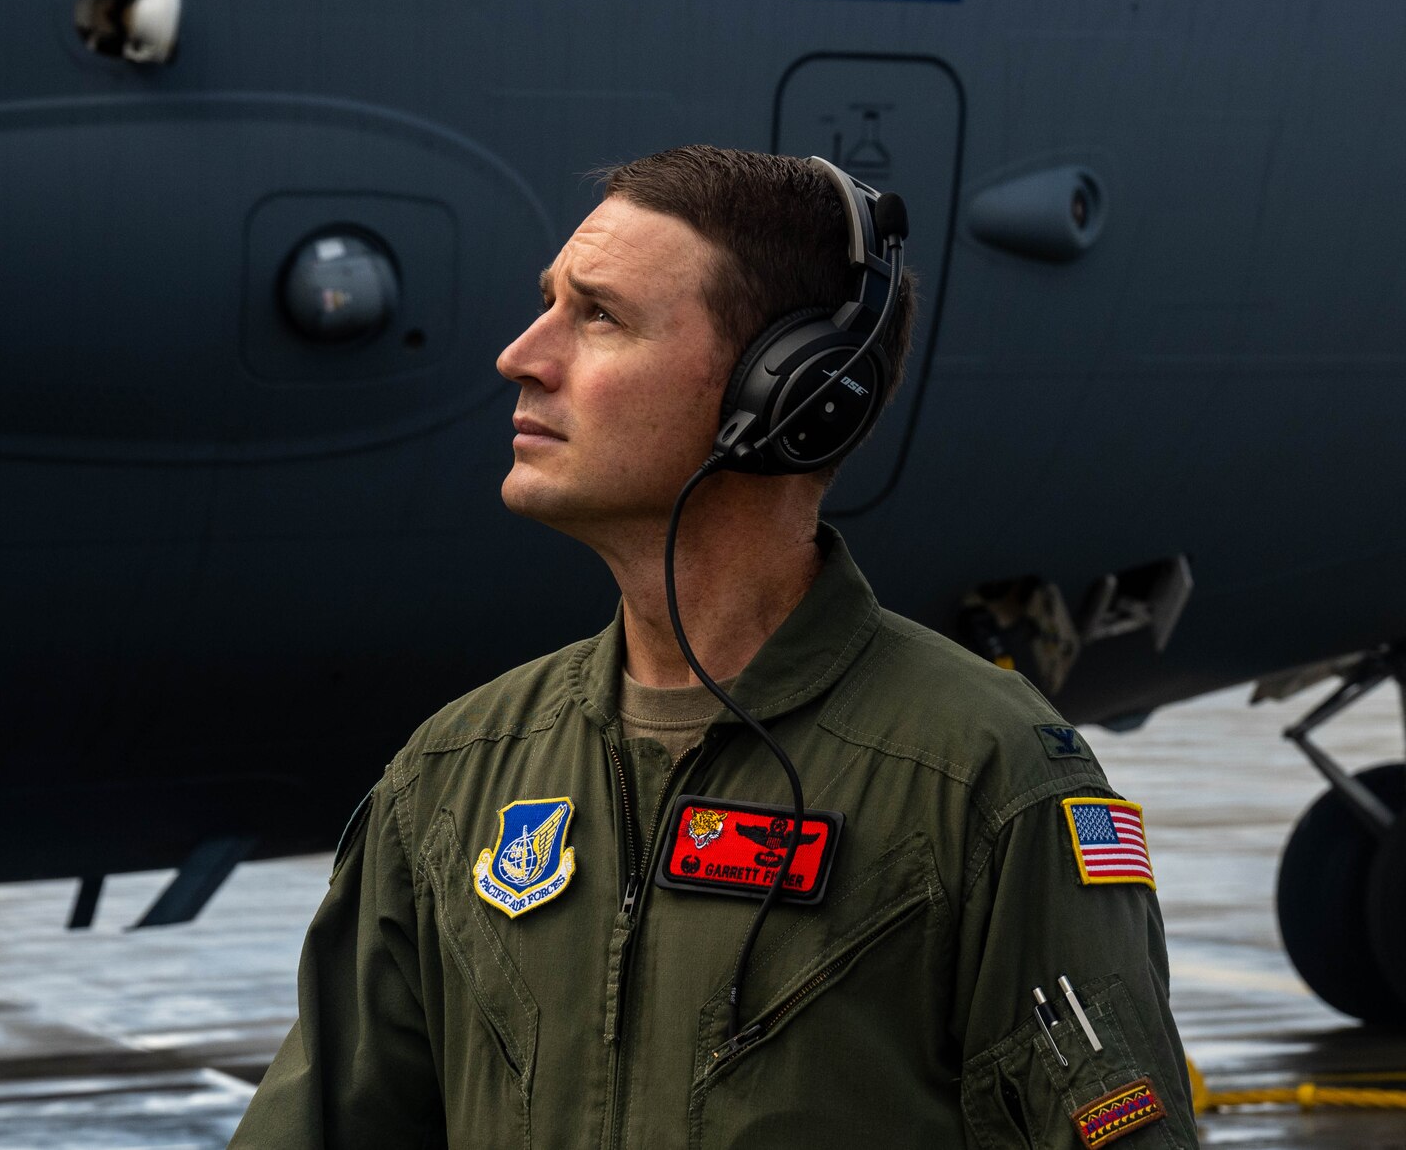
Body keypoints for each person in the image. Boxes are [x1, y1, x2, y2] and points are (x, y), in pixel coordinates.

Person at [229, 147, 1195, 1149]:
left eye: (597, 315)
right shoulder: (453, 775)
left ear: (783, 392)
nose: (521, 353)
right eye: (548, 302)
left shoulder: (981, 783)